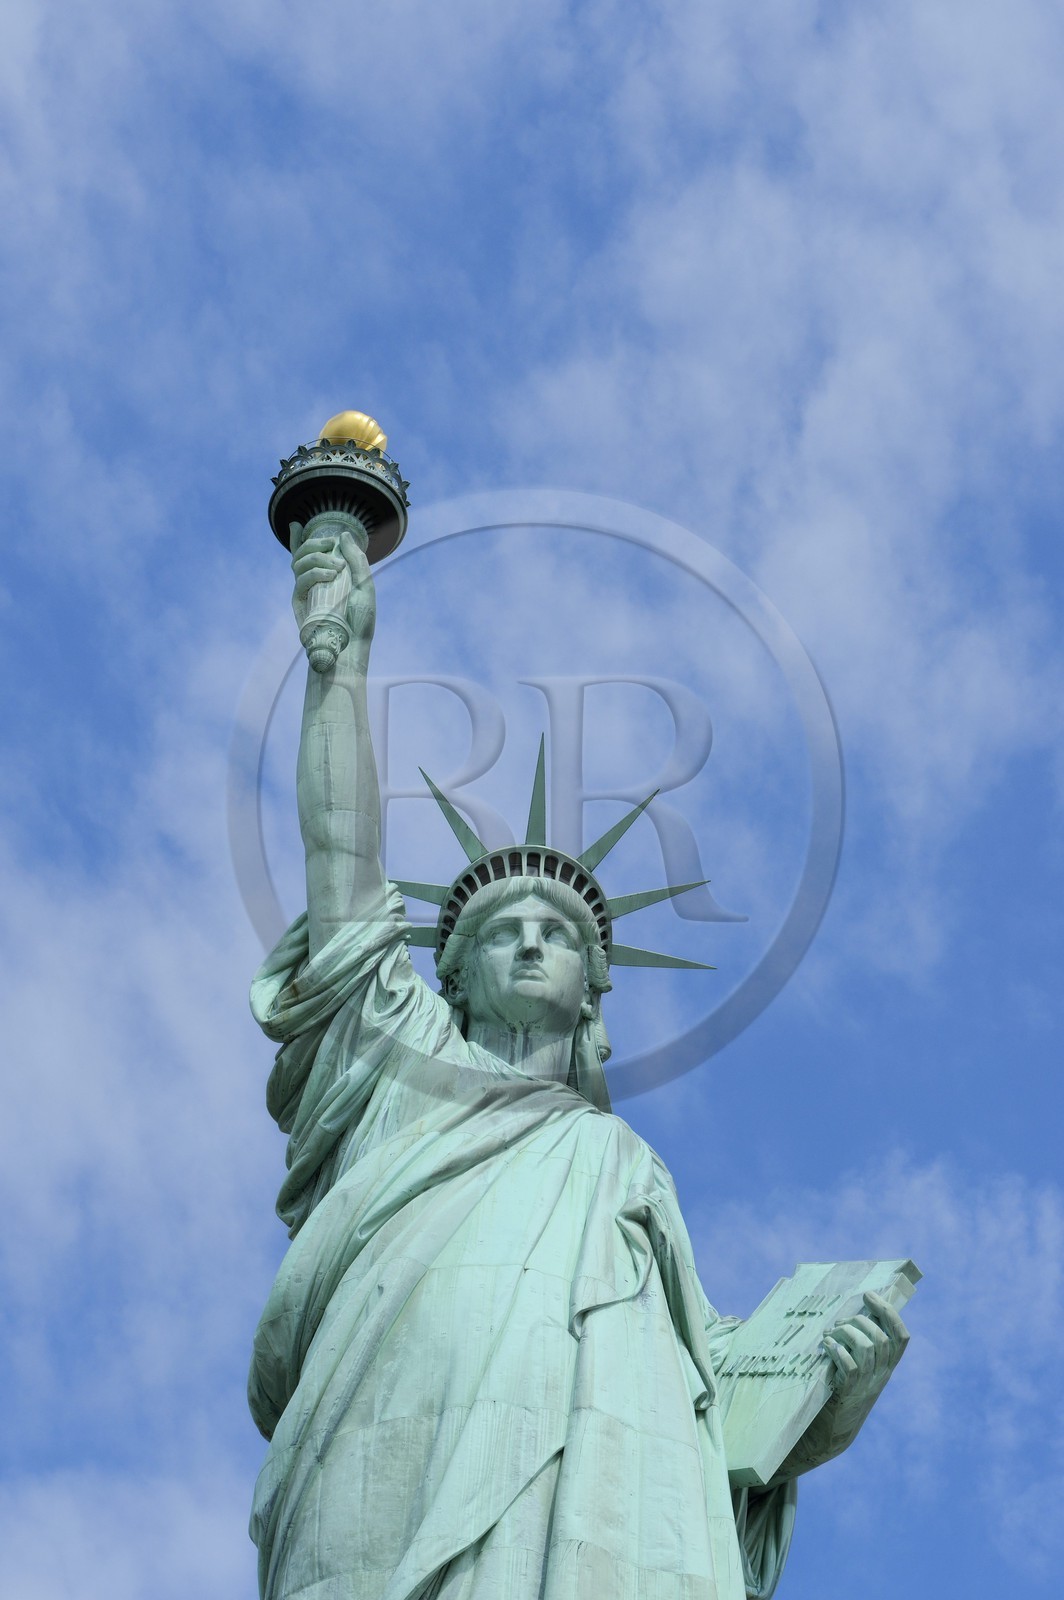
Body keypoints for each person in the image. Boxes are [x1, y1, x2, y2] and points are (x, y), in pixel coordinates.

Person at [247, 522, 909, 1600]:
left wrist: (827, 1385)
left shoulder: (619, 1166)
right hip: (387, 1448)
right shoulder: (399, 1079)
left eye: (554, 932)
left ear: (592, 994)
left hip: (604, 1495)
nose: (527, 941)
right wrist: (339, 668)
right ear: (445, 977)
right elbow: (342, 867)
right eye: (499, 929)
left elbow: (709, 1384)